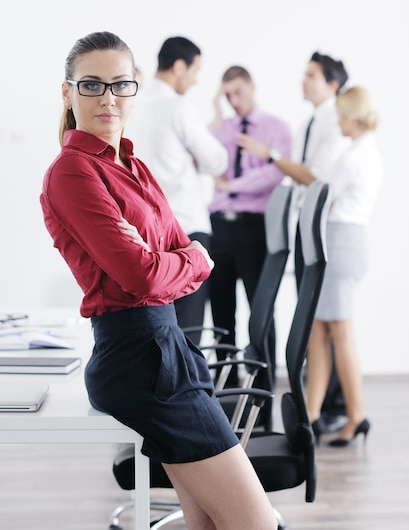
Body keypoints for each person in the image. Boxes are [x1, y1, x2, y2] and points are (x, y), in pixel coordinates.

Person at [40, 31, 277, 530]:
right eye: (91, 85)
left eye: (120, 85)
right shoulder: (72, 172)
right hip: (139, 360)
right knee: (255, 523)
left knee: (210, 523)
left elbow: (175, 252)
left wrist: (175, 257)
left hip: (170, 350)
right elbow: (145, 275)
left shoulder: (136, 166)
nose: (107, 97)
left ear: (134, 90)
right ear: (68, 93)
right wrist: (183, 259)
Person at [237, 51, 350, 428]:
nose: (303, 80)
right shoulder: (308, 124)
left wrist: (270, 156)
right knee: (312, 319)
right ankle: (319, 404)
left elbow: (314, 177)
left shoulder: (336, 121)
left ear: (332, 84)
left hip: (324, 229)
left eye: (311, 75)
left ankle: (332, 406)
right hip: (303, 228)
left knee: (325, 320)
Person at [127, 36, 228, 343]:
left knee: (153, 328)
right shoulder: (177, 106)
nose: (196, 81)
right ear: (180, 66)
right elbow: (217, 159)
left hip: (143, 233)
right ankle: (185, 392)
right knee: (187, 333)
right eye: (195, 71)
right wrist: (193, 156)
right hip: (185, 230)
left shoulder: (130, 106)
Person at [306, 86, 383, 446]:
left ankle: (357, 415)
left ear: (353, 116)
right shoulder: (364, 151)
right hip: (343, 240)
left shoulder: (355, 156)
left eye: (341, 114)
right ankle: (311, 414)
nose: (337, 121)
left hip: (342, 241)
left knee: (340, 333)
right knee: (319, 331)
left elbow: (323, 192)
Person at [209, 65, 292, 385]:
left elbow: (275, 173)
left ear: (252, 86)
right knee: (220, 314)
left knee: (261, 314)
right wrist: (215, 111)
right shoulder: (222, 127)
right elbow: (203, 158)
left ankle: (262, 391)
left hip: (254, 228)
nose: (233, 100)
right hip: (219, 227)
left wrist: (233, 186)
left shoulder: (276, 128)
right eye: (226, 94)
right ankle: (227, 395)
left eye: (237, 92)